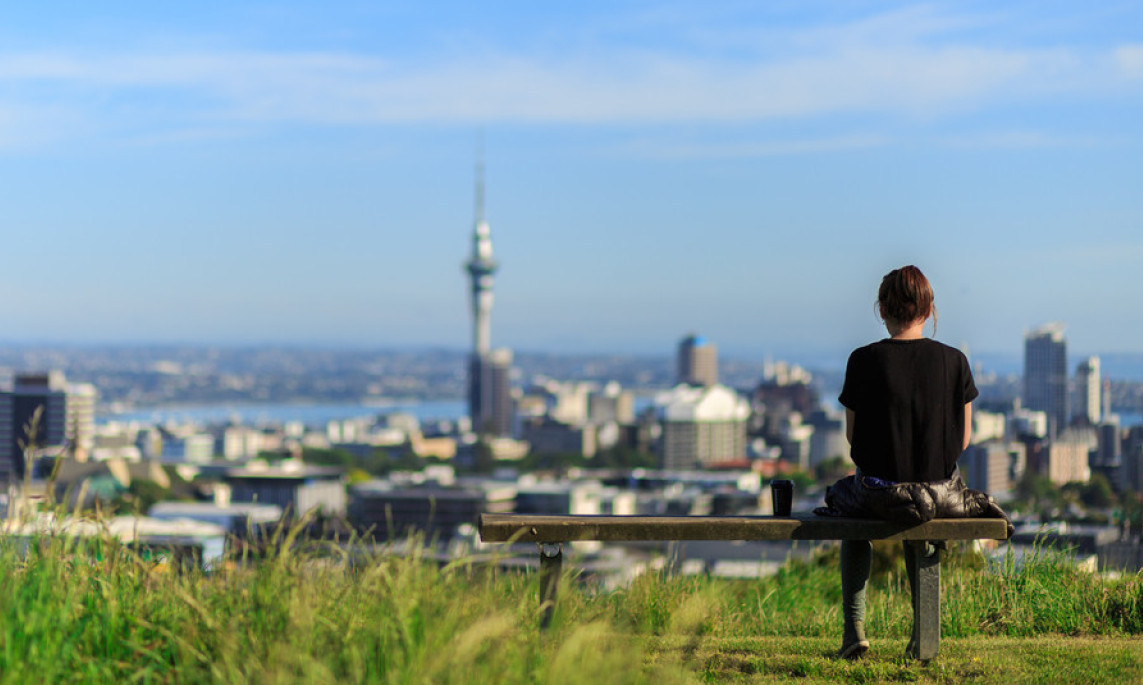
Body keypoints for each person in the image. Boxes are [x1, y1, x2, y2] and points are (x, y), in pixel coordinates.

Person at [818, 265, 1004, 660]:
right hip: (940, 494)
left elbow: (853, 439)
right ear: (929, 310)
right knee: (920, 507)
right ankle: (922, 636)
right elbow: (963, 440)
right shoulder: (955, 361)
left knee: (847, 507)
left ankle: (854, 632)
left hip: (878, 495)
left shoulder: (863, 360)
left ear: (882, 309)